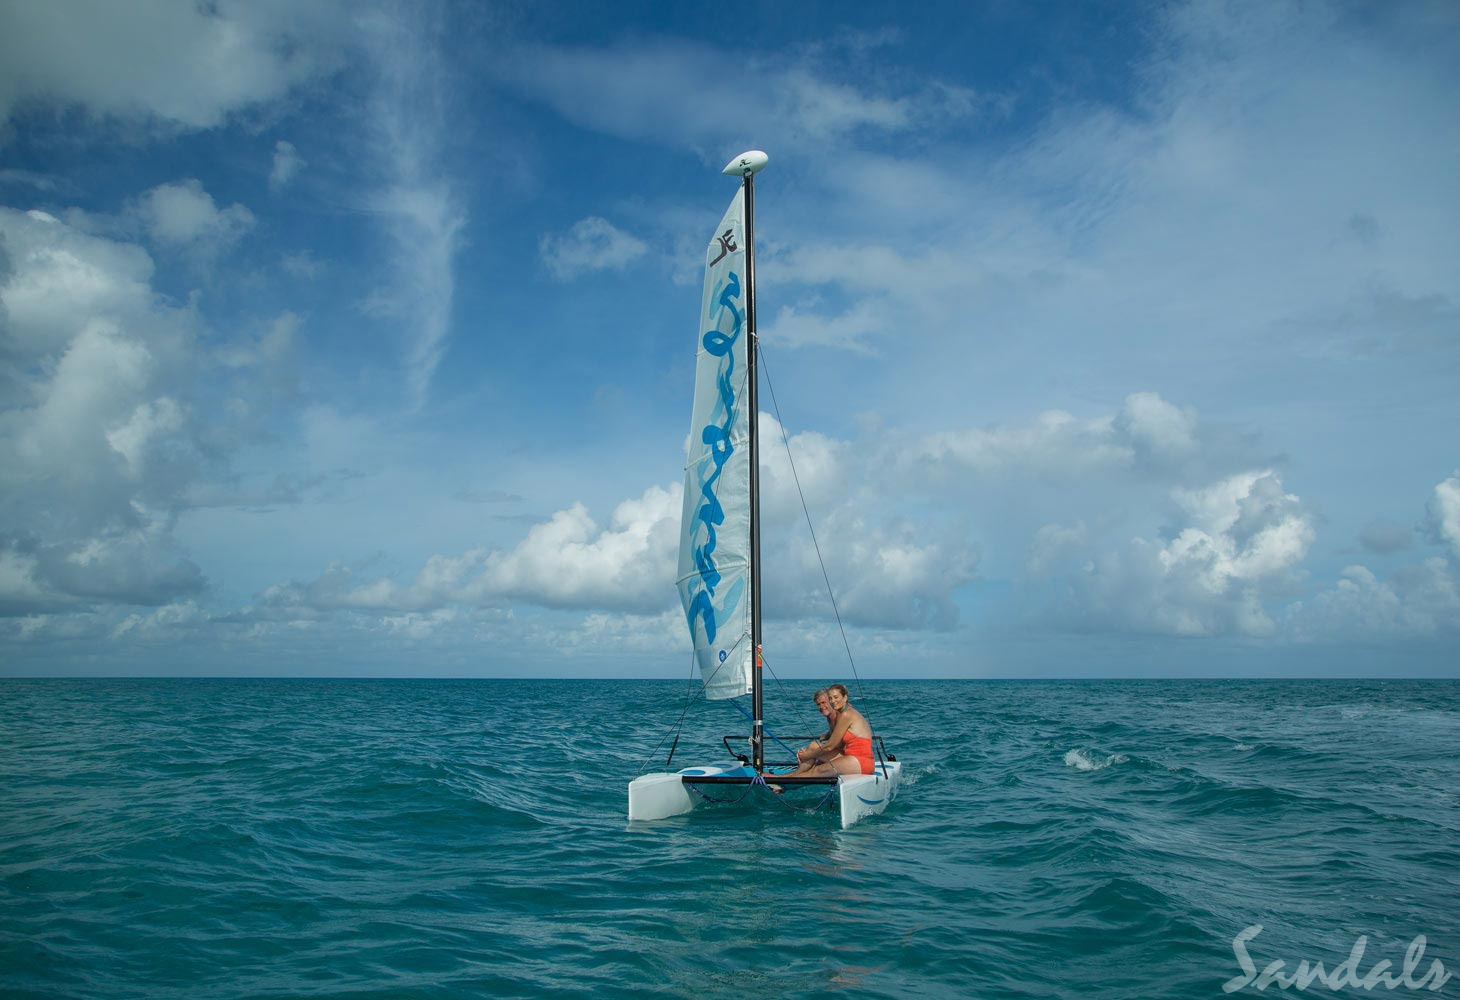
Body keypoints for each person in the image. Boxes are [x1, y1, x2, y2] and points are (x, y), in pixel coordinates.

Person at [788, 683, 875, 777]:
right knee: (813, 746)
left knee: (817, 770)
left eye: (836, 697)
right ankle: (794, 775)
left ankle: (788, 779)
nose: (833, 701)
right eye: (830, 698)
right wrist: (827, 735)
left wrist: (807, 755)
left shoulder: (845, 714)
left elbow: (830, 746)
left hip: (860, 761)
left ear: (845, 698)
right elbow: (841, 732)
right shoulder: (840, 714)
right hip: (850, 757)